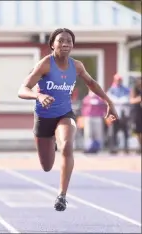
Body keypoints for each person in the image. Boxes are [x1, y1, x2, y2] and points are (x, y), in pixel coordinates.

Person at [17, 28, 118, 212]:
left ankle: (62, 195)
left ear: (72, 45)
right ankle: (51, 141)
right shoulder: (45, 64)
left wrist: (109, 102)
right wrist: (38, 97)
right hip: (44, 117)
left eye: (69, 41)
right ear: (52, 44)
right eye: (61, 41)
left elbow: (92, 83)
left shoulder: (77, 66)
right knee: (47, 166)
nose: (65, 44)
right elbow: (22, 89)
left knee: (68, 145)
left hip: (65, 114)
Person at [130, 77, 142, 153]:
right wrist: (139, 99)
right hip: (137, 112)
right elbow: (131, 100)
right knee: (138, 131)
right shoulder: (134, 89)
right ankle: (140, 147)